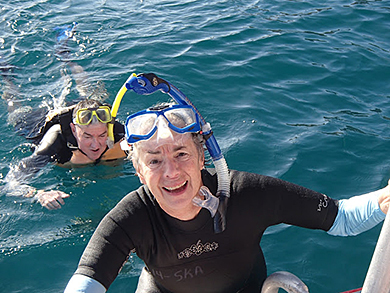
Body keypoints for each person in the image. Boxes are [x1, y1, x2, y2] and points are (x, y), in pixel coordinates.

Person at [64, 73, 390, 293]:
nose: (171, 172)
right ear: (137, 169)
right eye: (154, 160)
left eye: (181, 154)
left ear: (202, 156)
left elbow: (340, 216)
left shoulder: (246, 194)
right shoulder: (130, 218)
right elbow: (88, 280)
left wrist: (386, 197)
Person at [0, 23, 127, 210]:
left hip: (82, 111)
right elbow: (11, 184)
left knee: (93, 95)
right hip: (37, 124)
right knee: (16, 113)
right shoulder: (56, 140)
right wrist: (40, 194)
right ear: (75, 130)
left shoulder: (119, 134)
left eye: (101, 135)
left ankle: (65, 54)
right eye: (87, 136)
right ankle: (6, 74)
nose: (96, 144)